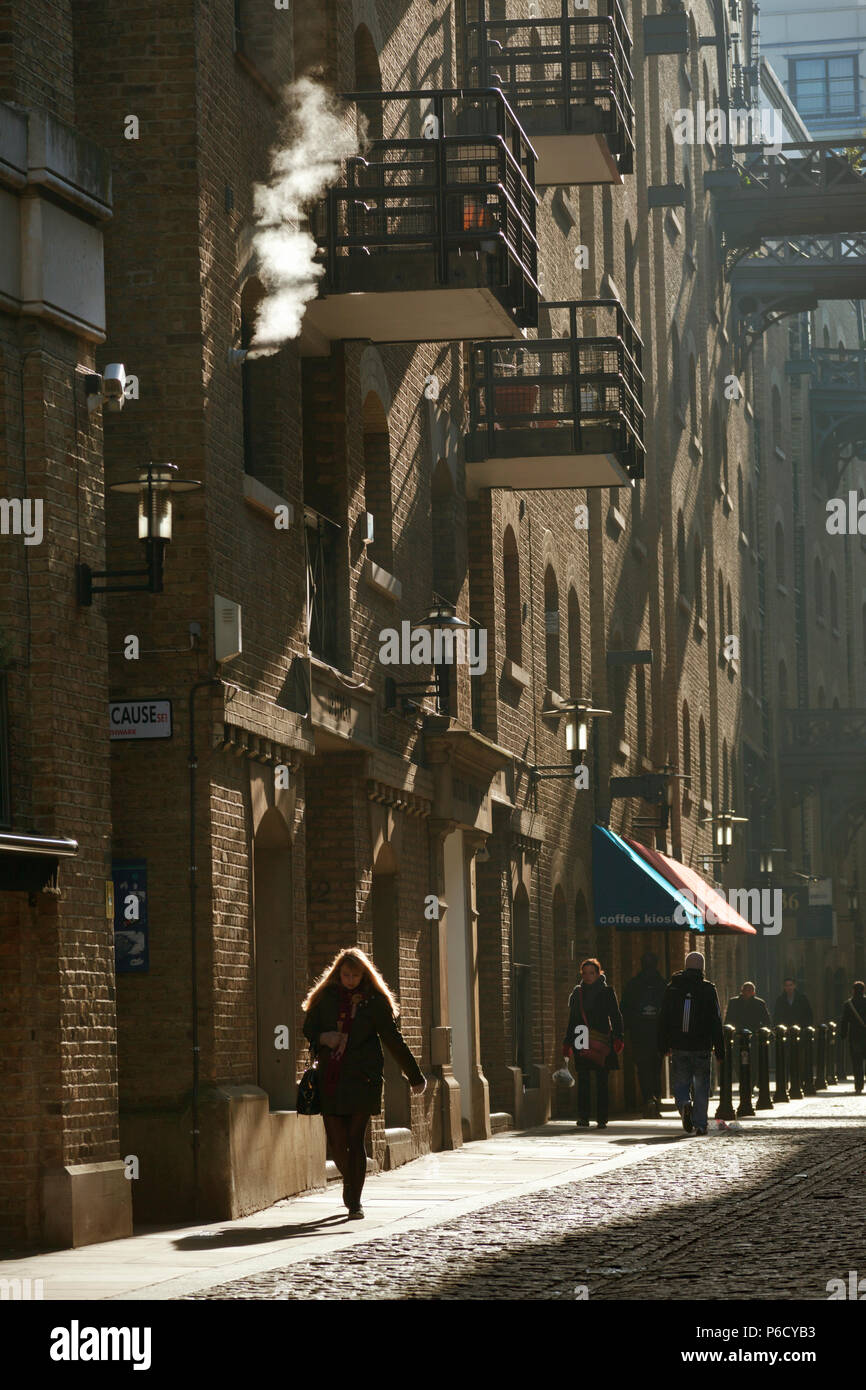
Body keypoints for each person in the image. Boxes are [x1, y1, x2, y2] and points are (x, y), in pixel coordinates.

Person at [302, 947, 426, 1219]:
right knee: (336, 1142)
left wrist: (414, 1076)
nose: (349, 980)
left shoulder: (375, 1002)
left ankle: (354, 1201)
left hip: (362, 1078)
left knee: (355, 1139)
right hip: (331, 1078)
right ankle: (350, 1182)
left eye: (355, 976)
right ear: (338, 973)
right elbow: (308, 1028)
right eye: (345, 975)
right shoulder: (325, 998)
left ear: (364, 975)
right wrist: (325, 1038)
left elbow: (394, 1040)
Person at [657, 950, 724, 1136]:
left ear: (686, 966)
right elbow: (716, 1021)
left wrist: (663, 1045)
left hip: (679, 1045)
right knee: (702, 1085)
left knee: (680, 1083)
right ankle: (701, 1124)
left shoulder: (673, 988)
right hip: (702, 1046)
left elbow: (663, 1018)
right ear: (702, 968)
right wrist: (720, 1050)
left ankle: (684, 1104)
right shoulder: (708, 989)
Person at [561, 957, 624, 1129]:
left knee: (602, 1080)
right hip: (581, 1038)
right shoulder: (577, 993)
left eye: (592, 973)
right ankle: (583, 1116)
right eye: (585, 973)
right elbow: (572, 1019)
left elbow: (616, 1016)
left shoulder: (607, 992)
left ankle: (602, 1118)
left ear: (598, 973)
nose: (588, 976)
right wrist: (567, 1043)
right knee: (583, 1079)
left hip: (602, 1039)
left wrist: (618, 1037)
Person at [621, 951, 667, 1117]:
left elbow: (624, 1009)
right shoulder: (663, 984)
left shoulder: (633, 984)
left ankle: (648, 1098)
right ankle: (655, 1098)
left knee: (643, 1067)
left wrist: (625, 1029)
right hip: (657, 1033)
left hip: (639, 1033)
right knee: (656, 1067)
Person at [725, 981, 772, 1094]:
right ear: (741, 990)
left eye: (750, 990)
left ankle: (750, 1085)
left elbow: (766, 1021)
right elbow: (728, 1019)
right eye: (745, 990)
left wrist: (762, 1032)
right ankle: (743, 1082)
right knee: (737, 1061)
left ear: (754, 992)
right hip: (738, 1038)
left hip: (754, 1039)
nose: (747, 992)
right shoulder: (734, 1002)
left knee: (754, 1063)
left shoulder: (759, 1003)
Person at [838, 980, 866, 1094]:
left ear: (853, 990)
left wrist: (843, 1034)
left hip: (855, 1036)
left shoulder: (849, 1004)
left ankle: (858, 1086)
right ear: (863, 990)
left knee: (857, 1062)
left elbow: (844, 1021)